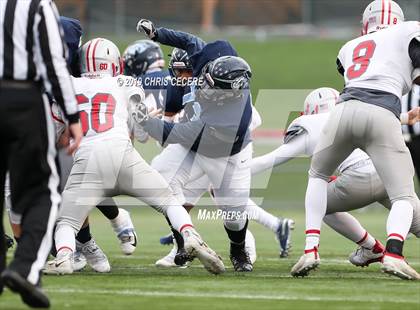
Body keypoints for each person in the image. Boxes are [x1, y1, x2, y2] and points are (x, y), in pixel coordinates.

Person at [44, 38, 225, 276]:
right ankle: (191, 236)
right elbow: (141, 131)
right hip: (123, 155)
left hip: (88, 159)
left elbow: (55, 133)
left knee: (66, 221)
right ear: (112, 63)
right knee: (169, 201)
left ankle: (65, 256)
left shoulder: (68, 85)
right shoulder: (125, 81)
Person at [292, 0, 420, 280]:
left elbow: (362, 79)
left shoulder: (349, 47)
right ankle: (394, 253)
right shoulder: (409, 31)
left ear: (366, 23)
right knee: (403, 195)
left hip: (343, 110)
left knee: (317, 175)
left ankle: (310, 249)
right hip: (382, 112)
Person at [251, 87, 420, 270]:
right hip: (387, 175)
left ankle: (371, 248)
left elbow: (270, 160)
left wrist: (235, 172)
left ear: (310, 110)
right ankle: (380, 250)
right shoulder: (354, 112)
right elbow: (378, 120)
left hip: (358, 180)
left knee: (319, 202)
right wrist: (403, 117)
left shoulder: (311, 123)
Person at [136, 19, 256, 272]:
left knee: (233, 215)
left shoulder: (231, 119)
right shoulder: (215, 57)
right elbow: (189, 41)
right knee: (159, 180)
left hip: (226, 153)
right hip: (192, 145)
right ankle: (184, 242)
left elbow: (178, 132)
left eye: (213, 89)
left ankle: (238, 250)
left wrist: (144, 121)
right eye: (207, 80)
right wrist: (158, 34)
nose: (205, 87)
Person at [0, 0, 82, 307]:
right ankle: (25, 268)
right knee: (43, 192)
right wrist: (72, 117)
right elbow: (54, 62)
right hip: (23, 99)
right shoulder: (37, 5)